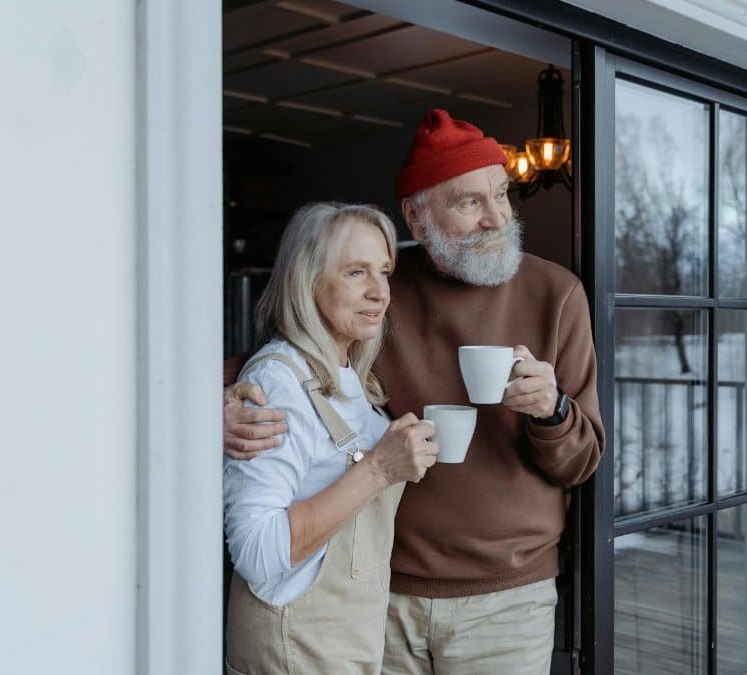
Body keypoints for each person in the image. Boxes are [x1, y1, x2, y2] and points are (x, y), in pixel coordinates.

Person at [225, 110, 605, 674]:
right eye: (468, 201)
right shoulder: (377, 288)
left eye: (501, 195)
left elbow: (582, 463)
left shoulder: (557, 294)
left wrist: (551, 410)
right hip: (379, 592)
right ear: (416, 216)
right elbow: (288, 352)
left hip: (506, 599)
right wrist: (222, 399)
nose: (495, 217)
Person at [223, 202, 439, 675]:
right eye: (356, 272)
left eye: (384, 271)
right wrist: (379, 469)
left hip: (342, 643)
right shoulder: (278, 383)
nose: (379, 292)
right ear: (308, 280)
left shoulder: (351, 379)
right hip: (295, 648)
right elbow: (260, 555)